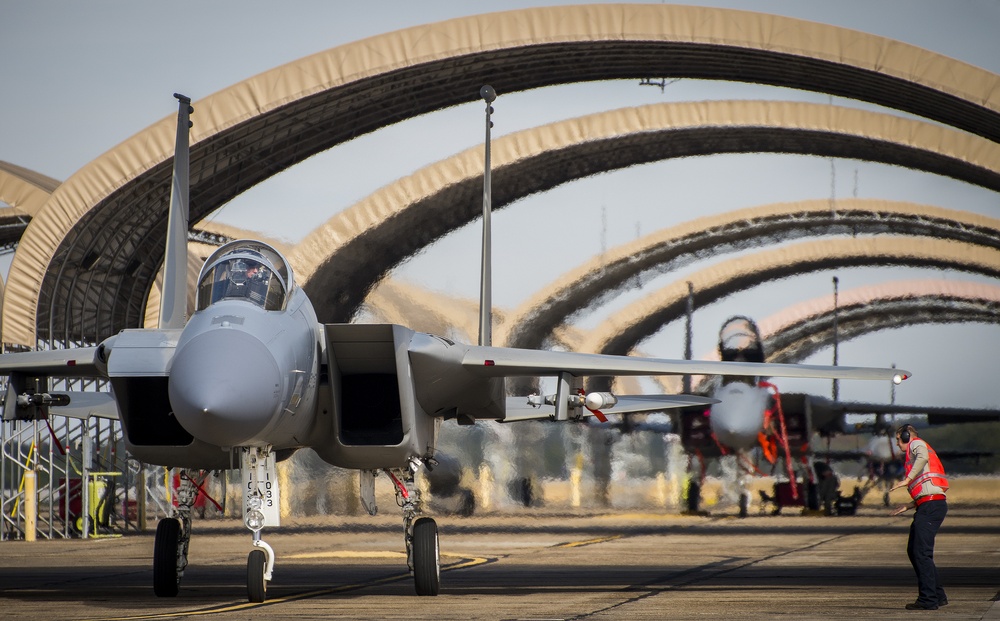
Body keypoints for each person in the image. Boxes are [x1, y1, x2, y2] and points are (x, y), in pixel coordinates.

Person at [889, 424, 949, 610]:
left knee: (921, 552)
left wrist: (907, 480)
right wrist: (909, 505)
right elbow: (928, 489)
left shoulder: (917, 444)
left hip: (931, 507)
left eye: (899, 439)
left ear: (907, 436)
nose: (897, 443)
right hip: (927, 505)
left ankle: (928, 599)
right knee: (914, 551)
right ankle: (937, 595)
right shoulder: (915, 450)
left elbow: (922, 457)